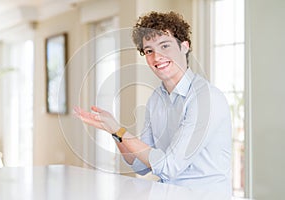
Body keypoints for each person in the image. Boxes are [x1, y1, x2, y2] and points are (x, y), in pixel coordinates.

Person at [74, 11, 232, 191]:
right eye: (149, 51)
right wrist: (114, 131)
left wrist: (120, 131)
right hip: (168, 193)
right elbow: (140, 165)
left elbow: (169, 167)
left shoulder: (206, 99)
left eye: (165, 46)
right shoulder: (157, 98)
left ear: (184, 46)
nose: (157, 57)